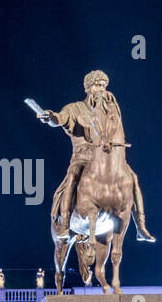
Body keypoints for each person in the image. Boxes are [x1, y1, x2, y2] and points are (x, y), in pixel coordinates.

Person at [38, 69, 155, 242]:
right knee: (73, 176)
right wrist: (51, 117)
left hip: (106, 159)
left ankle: (140, 225)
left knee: (133, 177)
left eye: (104, 85)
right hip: (83, 158)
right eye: (97, 85)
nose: (101, 89)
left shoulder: (108, 111)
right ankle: (64, 222)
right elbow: (61, 118)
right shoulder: (75, 108)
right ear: (87, 88)